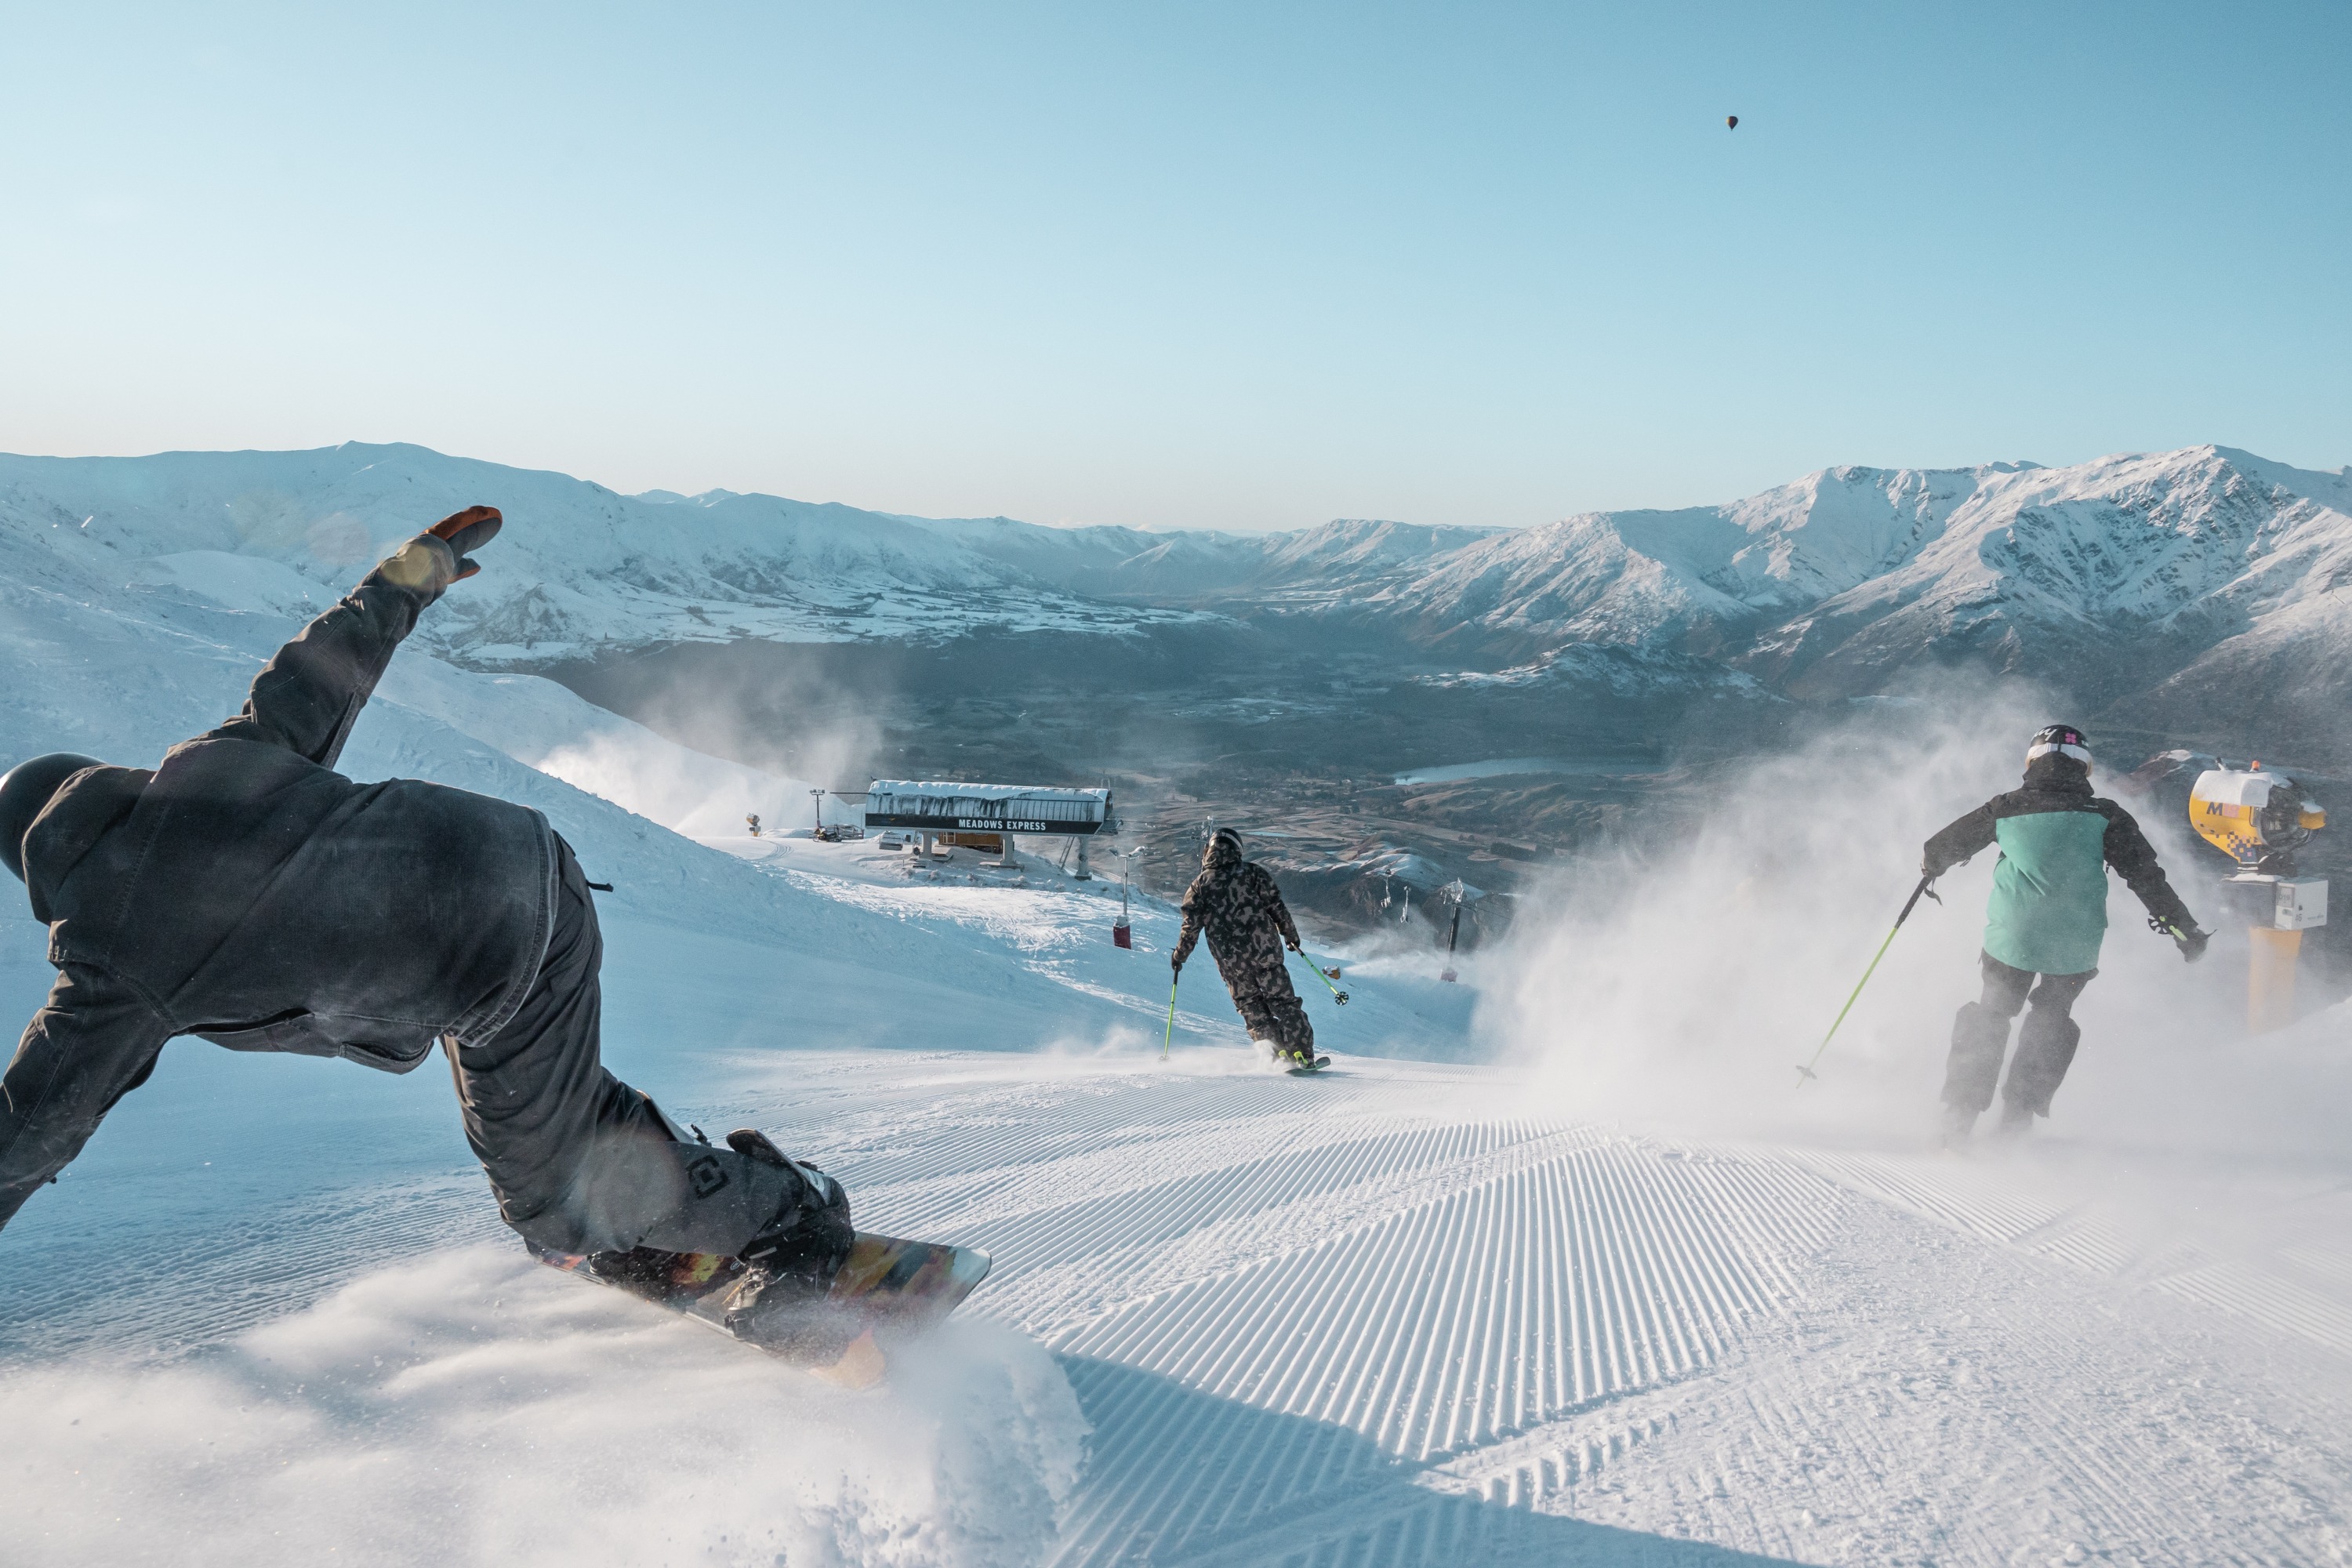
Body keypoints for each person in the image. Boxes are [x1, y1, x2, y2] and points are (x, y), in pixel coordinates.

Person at [0, 507, 851, 1335]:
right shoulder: (216, 764)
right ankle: (648, 1197)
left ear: (35, 866)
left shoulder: (112, 959)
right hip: (521, 870)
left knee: (551, 1210)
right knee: (549, 1132)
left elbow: (30, 1128)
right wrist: (416, 567)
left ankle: (792, 1218)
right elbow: (323, 663)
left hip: (491, 955)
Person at [1922, 724, 2209, 1145]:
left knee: (1993, 1012)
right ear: (2084, 769)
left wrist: (1932, 869)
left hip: (2012, 939)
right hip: (2075, 944)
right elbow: (2147, 878)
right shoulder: (2106, 816)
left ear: (2032, 763)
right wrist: (2185, 930)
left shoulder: (2006, 807)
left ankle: (1959, 1116)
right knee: (2052, 1018)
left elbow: (1938, 849)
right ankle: (2018, 1118)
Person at [1171, 828, 1316, 1066]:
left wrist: (1180, 956)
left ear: (1209, 851)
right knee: (1283, 1002)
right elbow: (1276, 906)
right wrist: (1290, 935)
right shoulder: (1252, 873)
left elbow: (1191, 927)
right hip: (1266, 955)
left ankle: (1275, 1054)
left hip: (1231, 963)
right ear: (1237, 849)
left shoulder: (1199, 886)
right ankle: (1302, 1054)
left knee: (1252, 1009)